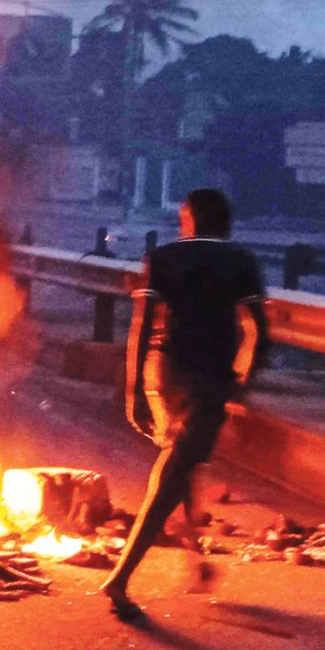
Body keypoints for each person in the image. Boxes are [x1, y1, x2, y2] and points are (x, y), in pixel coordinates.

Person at [104, 186, 269, 620]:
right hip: (209, 381)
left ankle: (195, 563)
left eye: (183, 217)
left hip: (163, 373)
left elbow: (140, 328)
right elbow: (257, 330)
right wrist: (242, 378)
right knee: (174, 472)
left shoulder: (163, 258)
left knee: (180, 465)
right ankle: (120, 579)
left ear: (191, 219)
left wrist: (133, 391)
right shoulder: (241, 262)